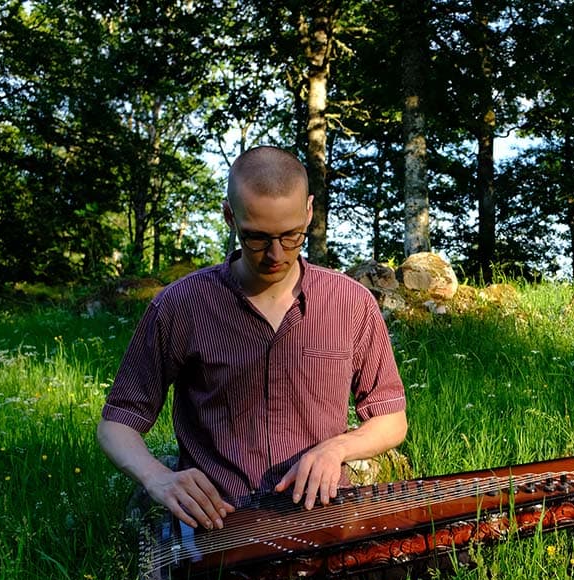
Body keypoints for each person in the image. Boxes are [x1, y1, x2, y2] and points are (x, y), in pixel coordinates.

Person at [98, 146, 407, 532]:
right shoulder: (180, 305)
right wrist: (158, 478)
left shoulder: (351, 303)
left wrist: (337, 448)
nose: (276, 254)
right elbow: (117, 424)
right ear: (230, 215)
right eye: (257, 238)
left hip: (320, 515)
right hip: (215, 524)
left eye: (292, 235)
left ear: (309, 211)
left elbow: (390, 419)